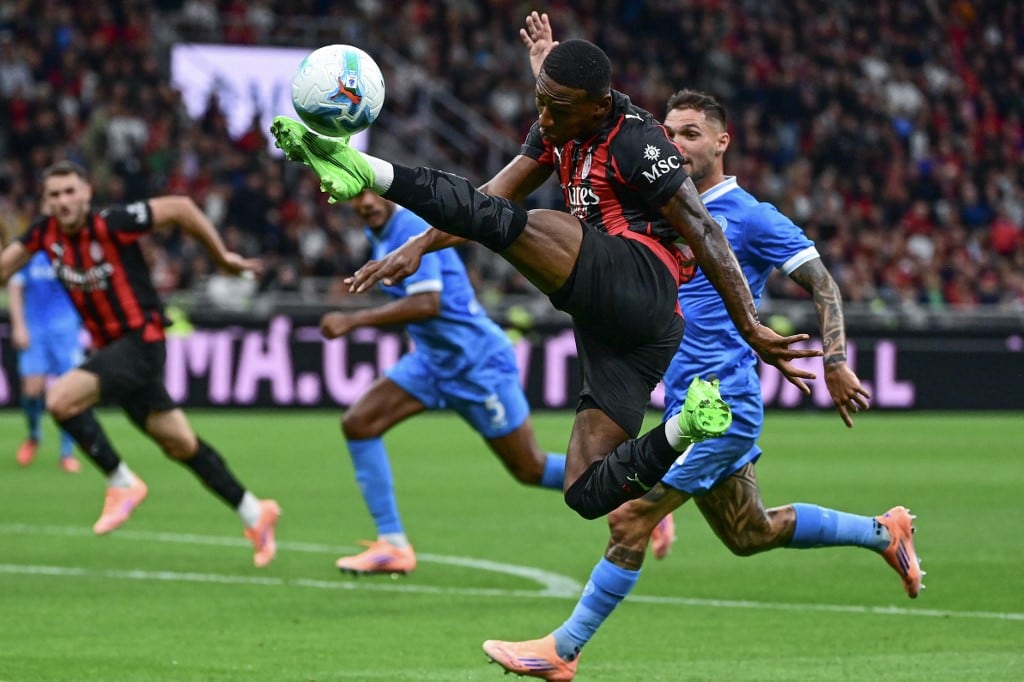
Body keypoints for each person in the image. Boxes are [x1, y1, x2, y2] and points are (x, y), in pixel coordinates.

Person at [479, 19, 923, 680]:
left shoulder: (751, 217)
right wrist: (545, 58)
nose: (676, 142)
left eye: (691, 132)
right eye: (670, 130)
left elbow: (823, 283)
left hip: (727, 402)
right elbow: (586, 107)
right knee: (751, 533)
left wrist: (833, 358)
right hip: (686, 396)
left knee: (627, 518)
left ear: (722, 140)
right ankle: (884, 532)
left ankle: (561, 651)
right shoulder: (654, 197)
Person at [270, 36, 823, 524]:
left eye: (556, 107)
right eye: (540, 101)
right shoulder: (557, 125)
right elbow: (489, 197)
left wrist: (750, 325)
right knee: (585, 491)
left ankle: (365, 167)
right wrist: (418, 245)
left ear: (599, 105)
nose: (544, 117)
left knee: (530, 225)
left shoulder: (637, 140)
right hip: (632, 333)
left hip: (643, 278)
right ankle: (688, 428)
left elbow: (705, 230)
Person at [0, 160, 281, 567]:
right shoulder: (43, 235)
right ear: (45, 202)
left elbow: (182, 208)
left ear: (86, 193)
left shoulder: (113, 223)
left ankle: (122, 482)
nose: (63, 201)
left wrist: (220, 258)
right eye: (54, 195)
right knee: (180, 444)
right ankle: (255, 512)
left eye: (69, 191)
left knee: (60, 399)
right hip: (112, 351)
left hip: (141, 341)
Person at [325, 189, 566, 575]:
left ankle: (625, 491)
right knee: (359, 422)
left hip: (476, 364)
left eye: (372, 193)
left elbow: (427, 304)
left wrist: (352, 320)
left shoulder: (409, 226)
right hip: (432, 363)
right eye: (356, 196)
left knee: (530, 469)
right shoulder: (382, 231)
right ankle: (393, 545)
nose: (366, 203)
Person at [8, 250, 84, 472]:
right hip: (35, 329)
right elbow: (15, 286)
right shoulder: (30, 249)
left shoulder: (70, 248)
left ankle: (67, 452)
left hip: (66, 330)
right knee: (31, 391)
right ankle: (33, 435)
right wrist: (19, 326)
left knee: (70, 393)